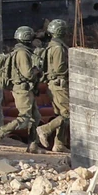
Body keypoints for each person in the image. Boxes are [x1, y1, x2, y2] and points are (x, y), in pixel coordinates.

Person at [0, 26, 44, 154]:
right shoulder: (22, 53)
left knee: (36, 117)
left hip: (26, 89)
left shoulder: (22, 51)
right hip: (22, 90)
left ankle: (32, 145)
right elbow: (28, 74)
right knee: (24, 119)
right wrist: (38, 68)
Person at [36, 19, 70, 153]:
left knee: (61, 115)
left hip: (53, 85)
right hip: (59, 86)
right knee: (68, 114)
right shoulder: (58, 48)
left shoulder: (51, 45)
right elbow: (59, 69)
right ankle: (45, 129)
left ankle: (59, 144)